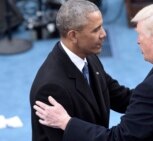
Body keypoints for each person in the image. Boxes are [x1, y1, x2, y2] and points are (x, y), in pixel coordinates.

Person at [34, 2, 153, 141]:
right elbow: (121, 95)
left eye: (139, 35)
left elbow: (118, 138)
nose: (137, 41)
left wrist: (67, 123)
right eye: (96, 29)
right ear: (73, 36)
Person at [30, 0, 132, 141]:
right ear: (73, 36)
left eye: (101, 26)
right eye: (95, 30)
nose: (103, 34)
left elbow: (119, 96)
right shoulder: (51, 88)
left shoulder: (89, 57)